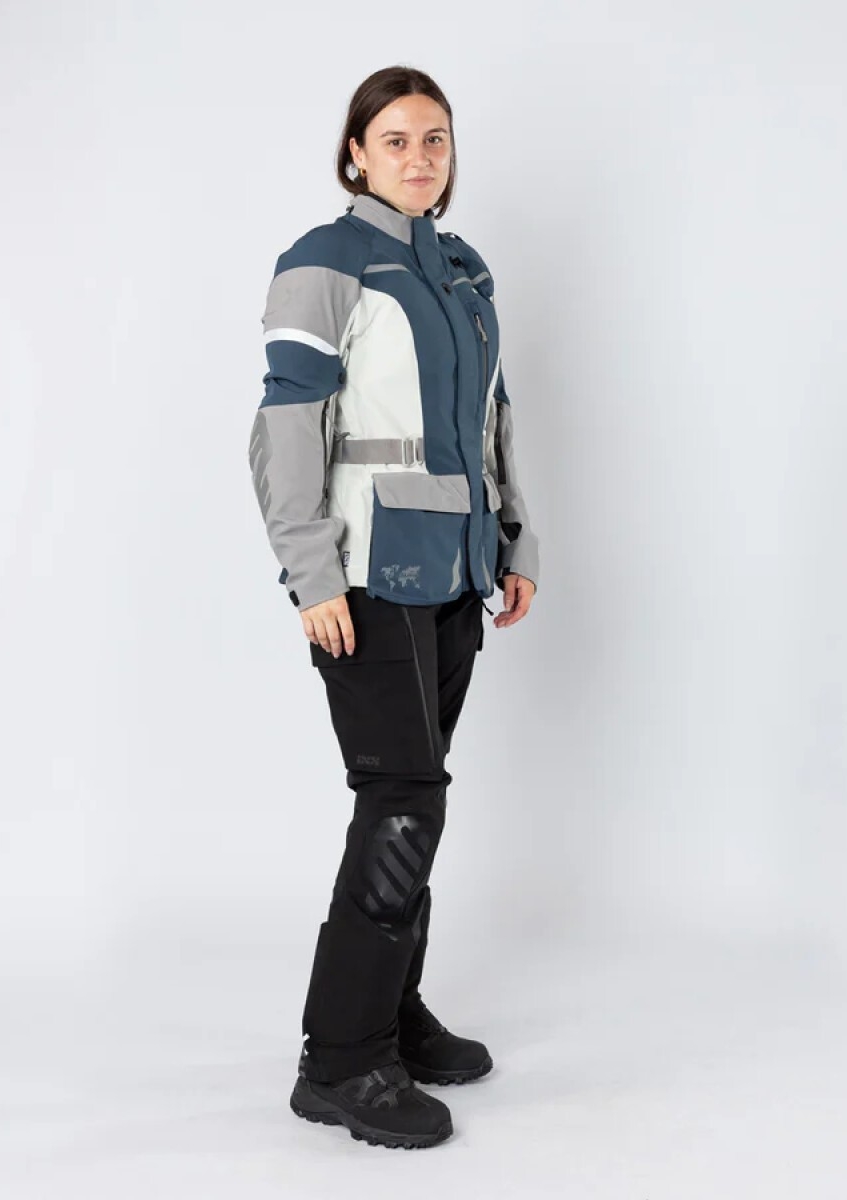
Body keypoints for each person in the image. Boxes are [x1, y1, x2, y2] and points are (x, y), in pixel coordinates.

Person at [247, 65, 540, 1150]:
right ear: (356, 154)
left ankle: (391, 1012)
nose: (420, 157)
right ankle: (341, 1059)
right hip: (366, 576)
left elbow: (493, 420)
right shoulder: (324, 262)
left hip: (454, 571)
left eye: (436, 139)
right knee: (403, 800)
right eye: (397, 140)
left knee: (422, 797)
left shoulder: (462, 272)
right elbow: (285, 427)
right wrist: (312, 573)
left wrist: (515, 538)